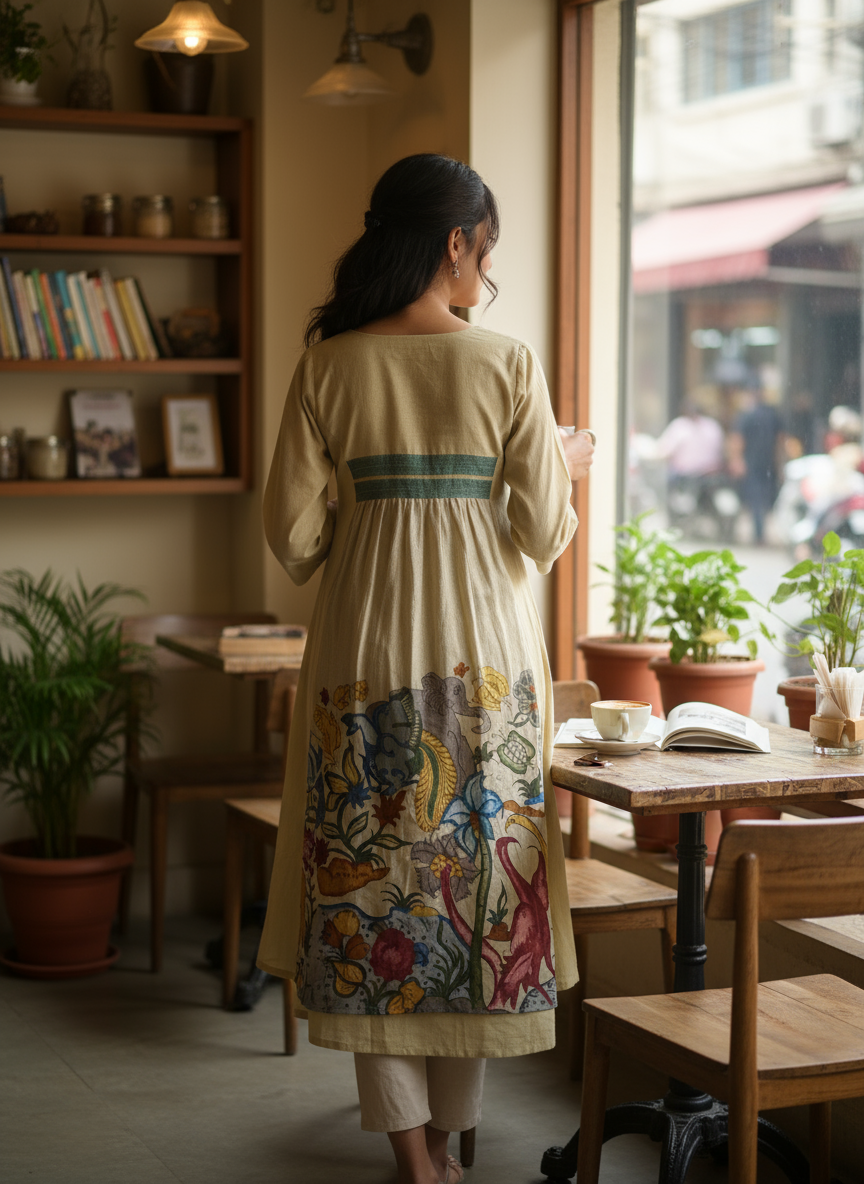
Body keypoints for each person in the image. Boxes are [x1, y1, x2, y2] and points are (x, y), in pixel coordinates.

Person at [257, 154, 590, 1184]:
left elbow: (293, 537)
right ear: (456, 243)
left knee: (371, 893)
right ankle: (442, 1143)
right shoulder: (508, 363)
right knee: (474, 889)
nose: (485, 274)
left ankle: (415, 1149)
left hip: (361, 651)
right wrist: (567, 469)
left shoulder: (328, 364)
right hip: (484, 659)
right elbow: (541, 528)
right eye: (484, 251)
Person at [728, 387, 785, 544]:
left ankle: (759, 534)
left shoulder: (746, 415)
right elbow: (780, 442)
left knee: (755, 500)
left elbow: (737, 439)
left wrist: (737, 460)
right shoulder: (772, 415)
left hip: (751, 463)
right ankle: (761, 533)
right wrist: (779, 464)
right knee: (765, 499)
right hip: (767, 464)